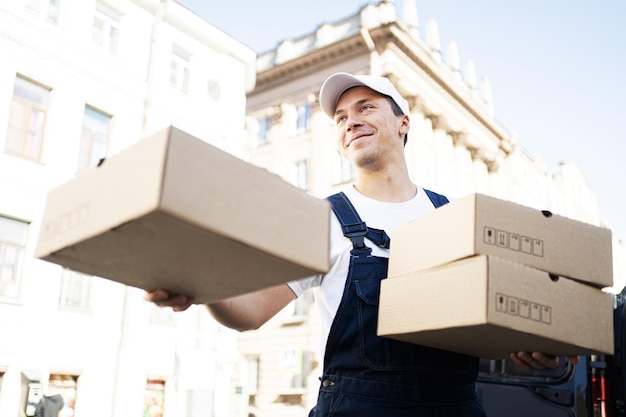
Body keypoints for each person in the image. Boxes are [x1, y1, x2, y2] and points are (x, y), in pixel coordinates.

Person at [146, 72, 579, 416]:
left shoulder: (455, 218)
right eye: (340, 117)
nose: (350, 120)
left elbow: (490, 319)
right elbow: (251, 312)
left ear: (403, 123)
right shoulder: (324, 218)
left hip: (456, 405)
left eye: (366, 107)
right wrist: (200, 281)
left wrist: (530, 345)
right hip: (358, 407)